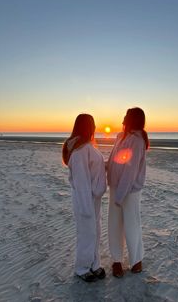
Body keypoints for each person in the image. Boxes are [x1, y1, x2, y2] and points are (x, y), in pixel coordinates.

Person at [62, 114, 107, 282]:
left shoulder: (86, 146)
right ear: (88, 127)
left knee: (95, 232)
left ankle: (94, 264)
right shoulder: (80, 151)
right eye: (93, 124)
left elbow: (94, 167)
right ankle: (82, 268)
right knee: (86, 233)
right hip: (85, 199)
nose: (95, 127)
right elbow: (81, 181)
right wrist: (86, 207)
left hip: (93, 199)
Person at [107, 107, 149, 277]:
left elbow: (130, 172)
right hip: (115, 187)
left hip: (129, 191)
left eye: (127, 115)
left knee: (132, 225)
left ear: (133, 119)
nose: (123, 117)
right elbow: (113, 160)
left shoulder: (138, 141)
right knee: (114, 225)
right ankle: (117, 261)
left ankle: (136, 260)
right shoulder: (119, 136)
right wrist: (100, 167)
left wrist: (120, 195)